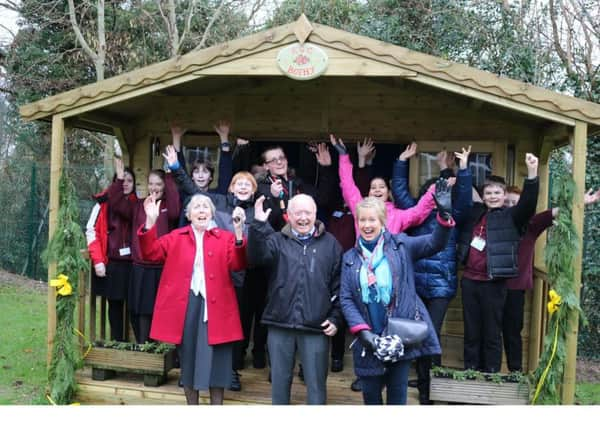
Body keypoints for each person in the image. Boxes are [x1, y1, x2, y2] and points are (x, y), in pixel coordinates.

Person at [340, 188, 455, 405]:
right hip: (369, 339)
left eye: (372, 219)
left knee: (397, 400)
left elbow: (435, 243)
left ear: (382, 221)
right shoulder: (350, 258)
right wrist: (363, 333)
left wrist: (445, 216)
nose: (366, 225)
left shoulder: (401, 245)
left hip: (399, 337)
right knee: (372, 400)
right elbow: (346, 298)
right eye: (362, 220)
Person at [138, 193, 247, 405]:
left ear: (212, 214)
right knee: (188, 359)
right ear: (188, 215)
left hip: (219, 308)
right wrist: (150, 222)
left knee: (219, 360)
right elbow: (150, 253)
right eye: (196, 207)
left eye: (206, 207)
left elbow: (238, 264)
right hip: (187, 305)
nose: (201, 210)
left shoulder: (225, 237)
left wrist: (239, 233)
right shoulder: (175, 236)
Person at [392, 144, 473, 404]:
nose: (439, 197)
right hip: (415, 285)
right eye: (436, 192)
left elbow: (463, 197)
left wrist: (462, 169)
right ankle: (422, 377)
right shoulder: (414, 214)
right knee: (414, 334)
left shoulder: (452, 215)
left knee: (431, 336)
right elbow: (401, 192)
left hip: (440, 287)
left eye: (443, 192)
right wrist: (402, 161)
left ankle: (429, 390)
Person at [248, 194, 343, 405]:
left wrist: (336, 318)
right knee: (279, 387)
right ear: (288, 216)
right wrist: (257, 225)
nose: (302, 218)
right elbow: (254, 258)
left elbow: (340, 286)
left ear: (315, 214)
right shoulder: (276, 240)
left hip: (316, 327)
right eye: (297, 213)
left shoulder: (331, 244)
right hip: (280, 323)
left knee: (316, 387)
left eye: (307, 212)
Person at [501, 186, 600, 372]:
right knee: (489, 332)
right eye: (506, 202)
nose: (510, 206)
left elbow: (555, 212)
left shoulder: (531, 224)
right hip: (491, 287)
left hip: (515, 287)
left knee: (512, 332)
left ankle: (515, 374)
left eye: (515, 202)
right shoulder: (494, 220)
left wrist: (582, 202)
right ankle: (486, 373)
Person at [457, 153, 539, 373]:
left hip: (494, 283)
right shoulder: (475, 214)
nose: (492, 196)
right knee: (472, 332)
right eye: (488, 193)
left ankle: (491, 374)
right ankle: (471, 373)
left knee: (492, 333)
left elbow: (529, 203)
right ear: (483, 196)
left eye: (497, 193)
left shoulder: (511, 217)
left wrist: (532, 174)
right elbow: (465, 192)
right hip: (469, 282)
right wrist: (463, 167)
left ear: (504, 196)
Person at [109, 154, 181, 344]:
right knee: (139, 310)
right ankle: (144, 347)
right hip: (140, 267)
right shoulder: (138, 205)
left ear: (164, 186)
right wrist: (119, 179)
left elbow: (175, 210)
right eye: (151, 184)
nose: (154, 188)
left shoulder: (167, 206)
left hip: (161, 268)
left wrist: (168, 175)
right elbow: (116, 203)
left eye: (158, 184)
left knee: (160, 310)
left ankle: (160, 350)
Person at [330, 135, 436, 235]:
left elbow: (417, 213)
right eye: (373, 188)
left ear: (388, 193)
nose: (377, 190)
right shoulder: (360, 207)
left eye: (382, 187)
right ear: (369, 193)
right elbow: (348, 185)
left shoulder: (397, 215)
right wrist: (343, 155)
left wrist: (434, 191)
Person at [86, 158, 137, 341]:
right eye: (121, 179)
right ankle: (117, 344)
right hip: (111, 264)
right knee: (114, 307)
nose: (125, 183)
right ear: (116, 181)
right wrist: (98, 261)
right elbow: (91, 232)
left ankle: (141, 351)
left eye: (129, 180)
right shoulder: (101, 205)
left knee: (135, 307)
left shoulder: (138, 206)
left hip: (133, 265)